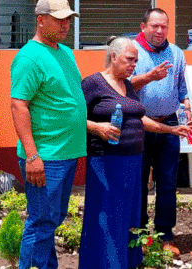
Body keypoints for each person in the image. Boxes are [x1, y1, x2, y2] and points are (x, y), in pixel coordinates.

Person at [10, 0, 87, 269]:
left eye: (68, 19)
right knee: (41, 220)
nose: (66, 25)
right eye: (59, 19)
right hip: (45, 155)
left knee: (51, 219)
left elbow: (68, 98)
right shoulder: (29, 57)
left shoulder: (64, 52)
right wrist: (32, 156)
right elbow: (18, 106)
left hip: (66, 152)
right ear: (40, 20)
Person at [78, 37, 146, 269]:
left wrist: (169, 129)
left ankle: (125, 263)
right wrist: (97, 128)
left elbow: (137, 117)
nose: (133, 65)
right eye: (129, 59)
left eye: (135, 61)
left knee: (128, 216)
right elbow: (74, 117)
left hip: (132, 162)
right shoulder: (93, 83)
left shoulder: (127, 86)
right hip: (105, 162)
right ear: (113, 56)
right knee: (107, 216)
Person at [130, 9, 190, 252]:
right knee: (140, 183)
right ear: (143, 26)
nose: (159, 31)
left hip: (170, 125)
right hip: (139, 125)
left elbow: (182, 87)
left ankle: (166, 236)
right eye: (154, 26)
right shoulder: (132, 51)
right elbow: (123, 84)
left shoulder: (176, 53)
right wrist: (148, 77)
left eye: (164, 26)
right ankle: (141, 235)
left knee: (167, 183)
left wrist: (187, 103)